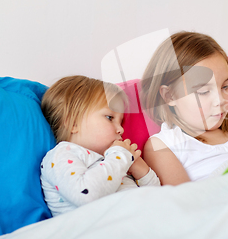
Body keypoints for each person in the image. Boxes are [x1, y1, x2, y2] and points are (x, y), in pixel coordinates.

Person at [141, 32, 228, 185]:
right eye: (203, 92)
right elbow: (188, 201)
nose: (220, 101)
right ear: (169, 96)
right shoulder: (165, 145)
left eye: (225, 86)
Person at [40, 76, 160, 217]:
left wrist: (141, 170)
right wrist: (120, 156)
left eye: (121, 122)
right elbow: (86, 195)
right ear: (73, 124)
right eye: (110, 118)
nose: (121, 129)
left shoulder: (112, 159)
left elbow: (157, 197)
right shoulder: (61, 155)